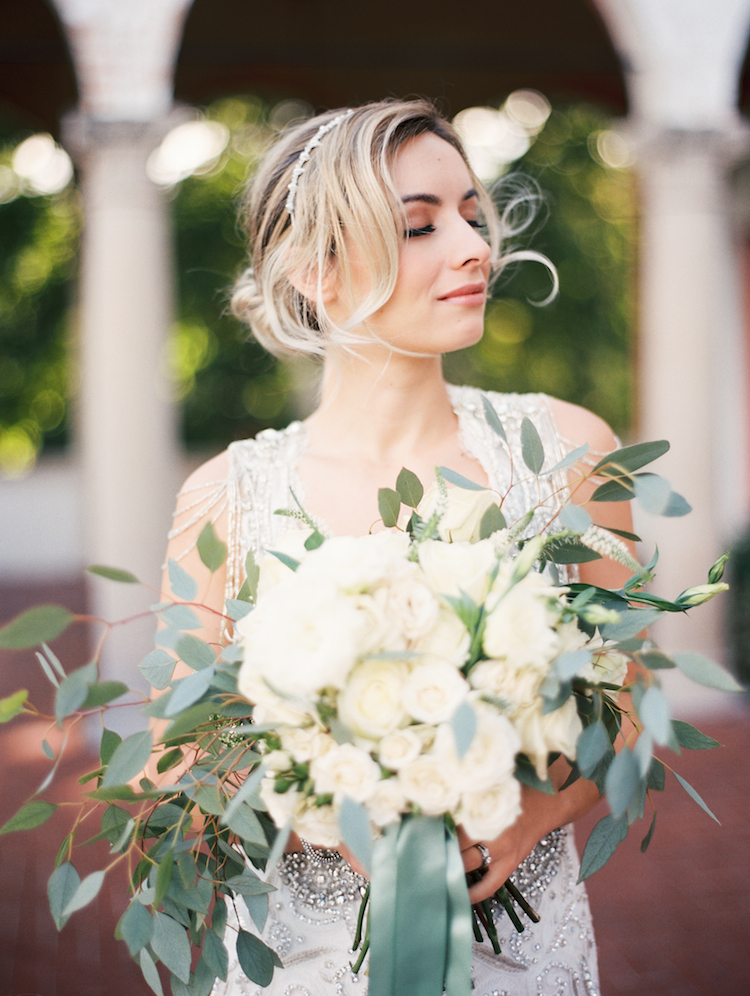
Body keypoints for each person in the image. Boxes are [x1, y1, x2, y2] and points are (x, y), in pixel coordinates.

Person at [163, 98, 634, 996]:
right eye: (420, 225)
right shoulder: (226, 499)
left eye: (470, 213)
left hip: (524, 968)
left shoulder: (570, 454)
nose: (472, 247)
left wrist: (527, 815)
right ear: (316, 271)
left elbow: (635, 707)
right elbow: (172, 774)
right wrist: (321, 806)